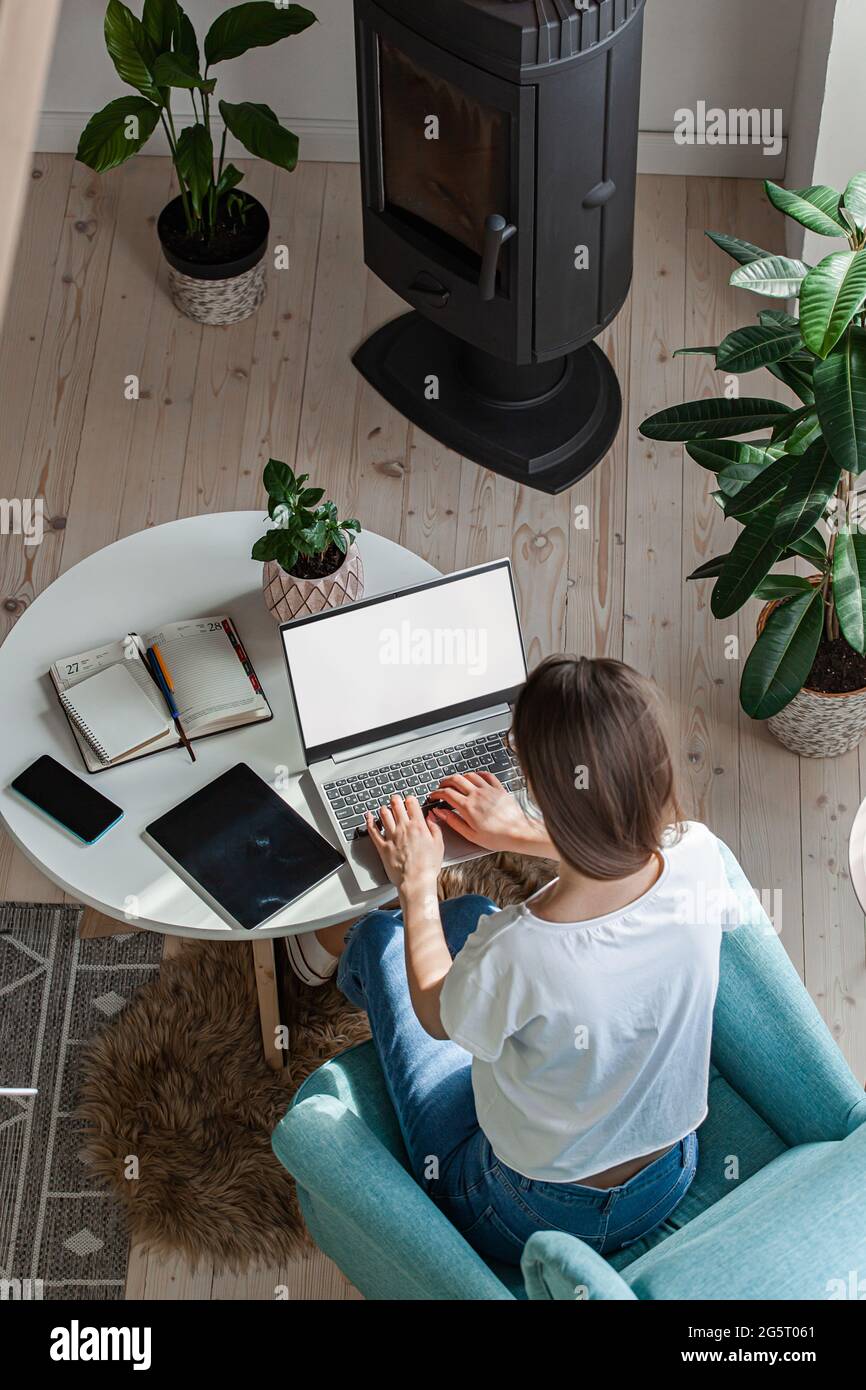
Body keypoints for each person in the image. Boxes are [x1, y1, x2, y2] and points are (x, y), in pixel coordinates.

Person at [287, 656, 742, 1265]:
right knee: (471, 909)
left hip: (527, 1210)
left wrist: (416, 883)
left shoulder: (522, 947)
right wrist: (522, 832)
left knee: (383, 937)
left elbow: (436, 1014)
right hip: (671, 1170)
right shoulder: (700, 856)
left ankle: (319, 960)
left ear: (544, 790)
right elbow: (628, 852)